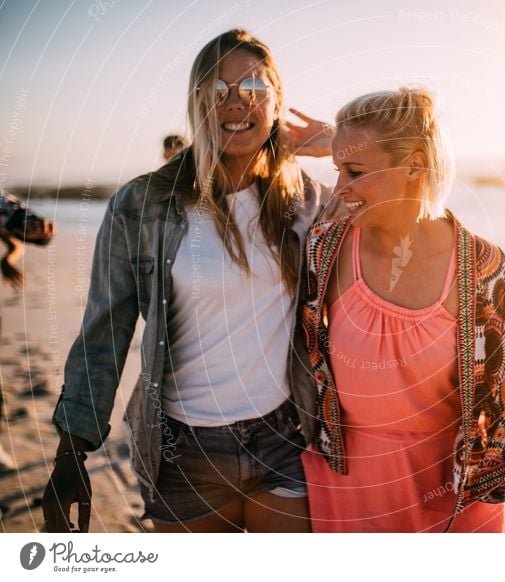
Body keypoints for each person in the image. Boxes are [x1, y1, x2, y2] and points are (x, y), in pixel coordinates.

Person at [42, 29, 339, 533]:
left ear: (278, 102)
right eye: (217, 91)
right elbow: (104, 332)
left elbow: (402, 214)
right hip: (187, 451)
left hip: (285, 439)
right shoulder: (142, 207)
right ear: (197, 102)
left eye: (254, 88)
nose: (236, 102)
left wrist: (336, 143)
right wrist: (73, 447)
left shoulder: (308, 203)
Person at [299, 88, 505, 532]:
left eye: (354, 171)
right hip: (346, 491)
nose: (339, 189)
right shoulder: (324, 248)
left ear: (414, 164)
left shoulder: (482, 268)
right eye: (337, 170)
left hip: (455, 497)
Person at [0, 189, 56, 471]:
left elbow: (14, 241)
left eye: (33, 233)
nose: (35, 229)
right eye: (35, 230)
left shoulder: (11, 218)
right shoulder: (14, 211)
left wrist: (8, 259)